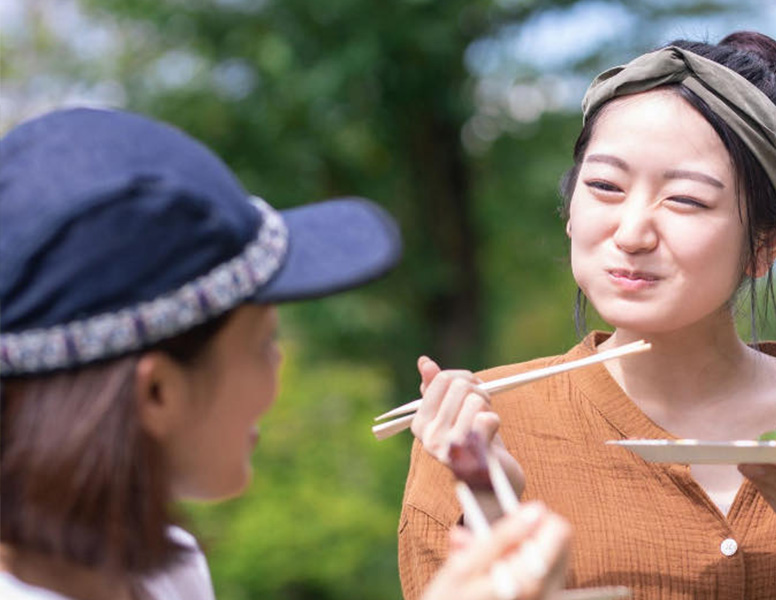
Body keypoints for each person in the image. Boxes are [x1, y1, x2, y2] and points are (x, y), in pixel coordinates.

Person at [398, 31, 776, 599]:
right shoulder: (478, 432)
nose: (633, 233)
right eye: (604, 186)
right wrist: (490, 507)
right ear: (570, 210)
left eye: (686, 200)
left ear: (769, 240)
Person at [0, 107, 569, 600]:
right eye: (264, 344)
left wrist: (492, 514)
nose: (279, 368)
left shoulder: (160, 568)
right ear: (157, 392)